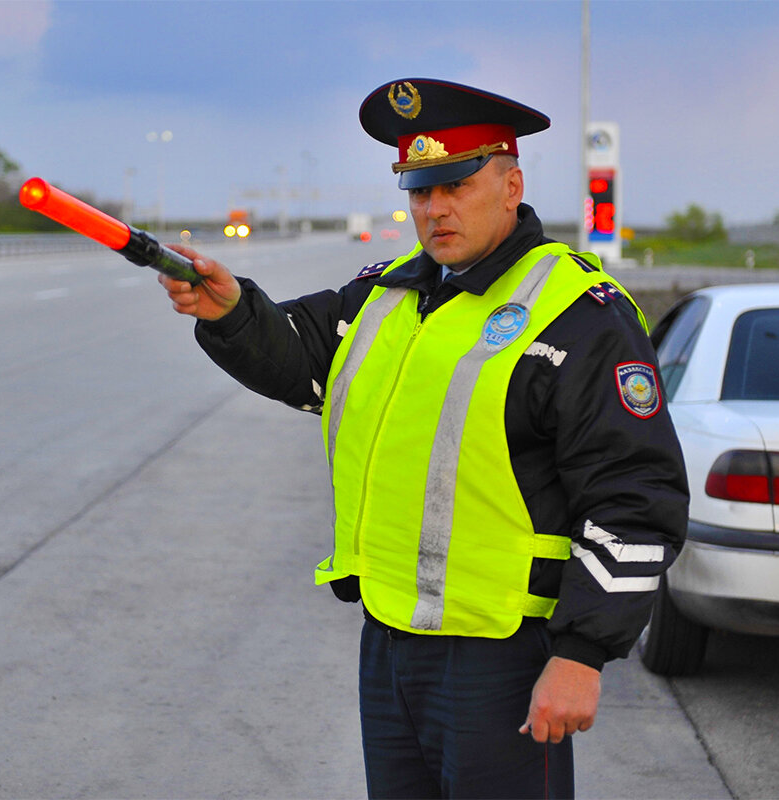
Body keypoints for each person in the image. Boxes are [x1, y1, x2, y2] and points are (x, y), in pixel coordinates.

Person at [158, 78, 689, 799]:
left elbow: (636, 495)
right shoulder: (385, 296)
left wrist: (583, 653)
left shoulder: (576, 315)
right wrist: (229, 311)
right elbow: (296, 357)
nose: (434, 209)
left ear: (510, 185)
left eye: (456, 185)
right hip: (390, 643)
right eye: (419, 191)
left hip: (503, 657)